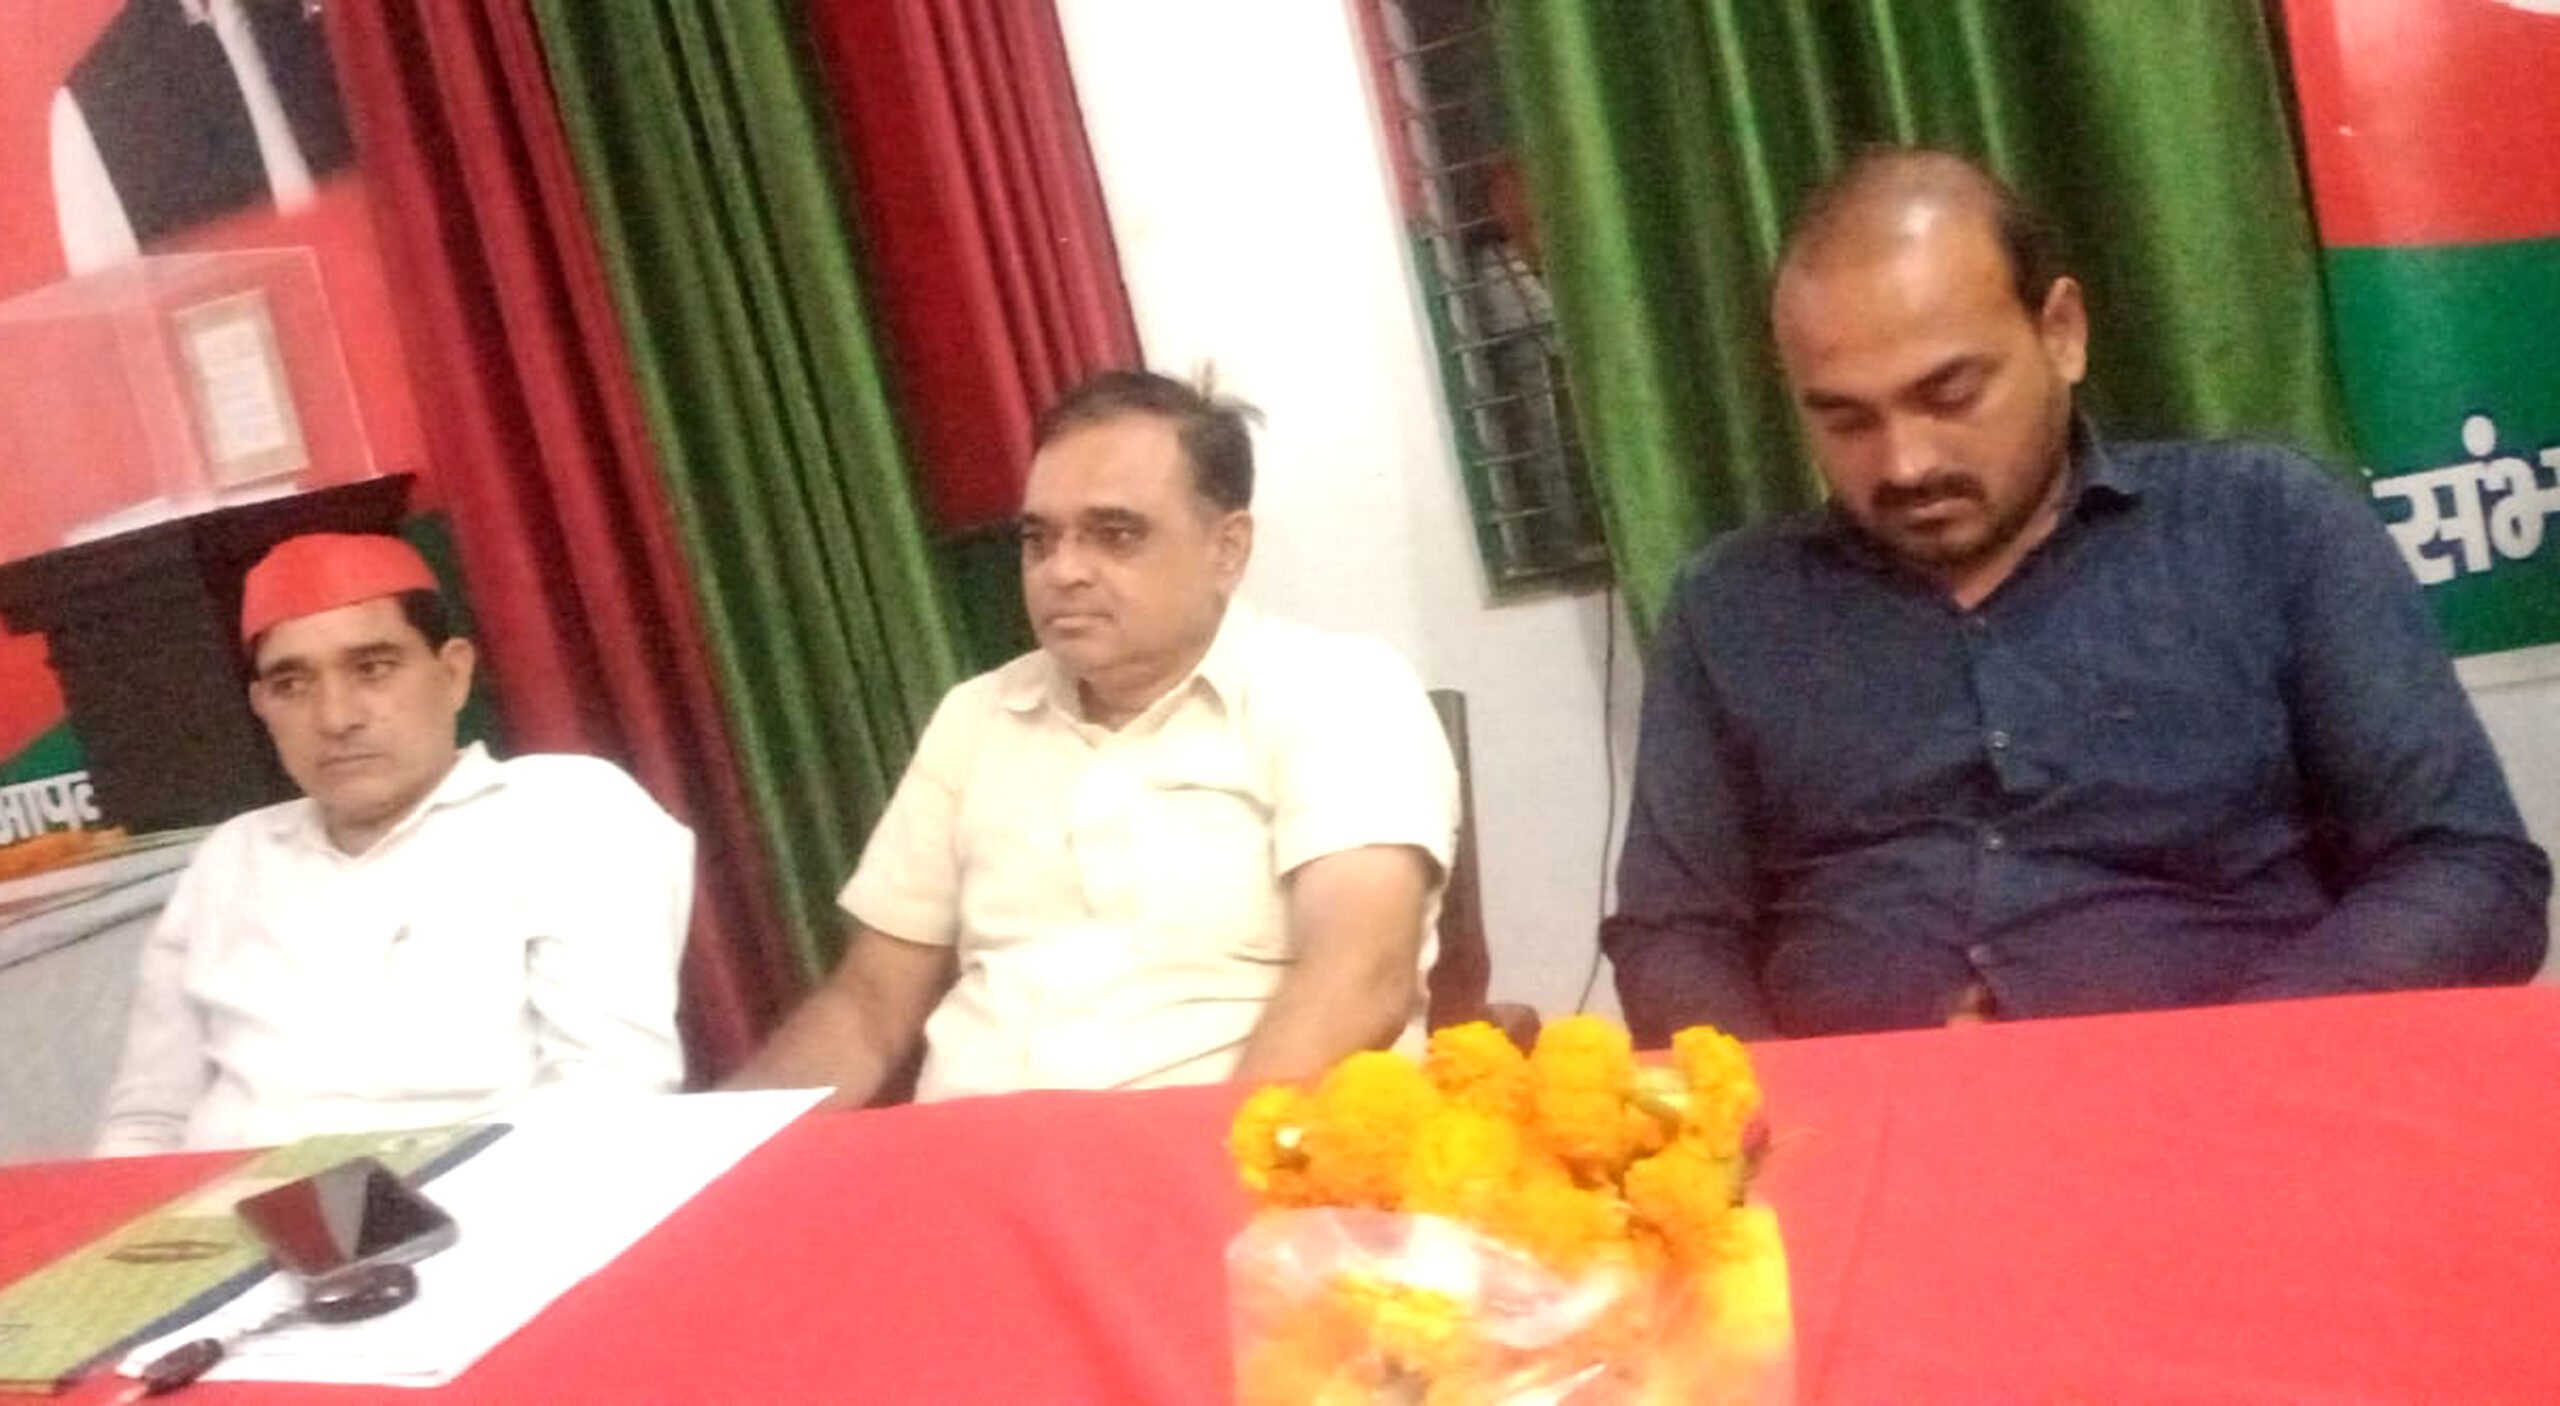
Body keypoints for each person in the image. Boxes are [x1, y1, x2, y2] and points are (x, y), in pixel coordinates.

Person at [1604, 147, 2550, 1046]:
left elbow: (2469, 870)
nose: (1906, 463)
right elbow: (1672, 934)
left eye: (1950, 395)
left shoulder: (2264, 525)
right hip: (1859, 1138)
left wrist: (2238, 1058)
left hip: (2250, 1107)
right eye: (1847, 420)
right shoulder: (1732, 608)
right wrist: (1783, 1112)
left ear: (2061, 333)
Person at [731, 370, 1459, 1103]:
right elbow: (867, 1007)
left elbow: (1360, 974)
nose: (1064, 571)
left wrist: (1203, 1156)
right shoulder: (976, 717)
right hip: (969, 1149)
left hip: (1219, 1144)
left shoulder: (1336, 690)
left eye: (1116, 535)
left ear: (1228, 549)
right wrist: (712, 1152)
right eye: (1039, 540)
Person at [93, 532, 692, 1153]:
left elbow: (612, 1089)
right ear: (262, 706)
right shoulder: (233, 857)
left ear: (453, 674)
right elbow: (147, 1120)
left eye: (373, 669)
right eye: (292, 684)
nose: (336, 718)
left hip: (479, 1197)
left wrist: (369, 1204)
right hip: (222, 1205)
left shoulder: (563, 811)